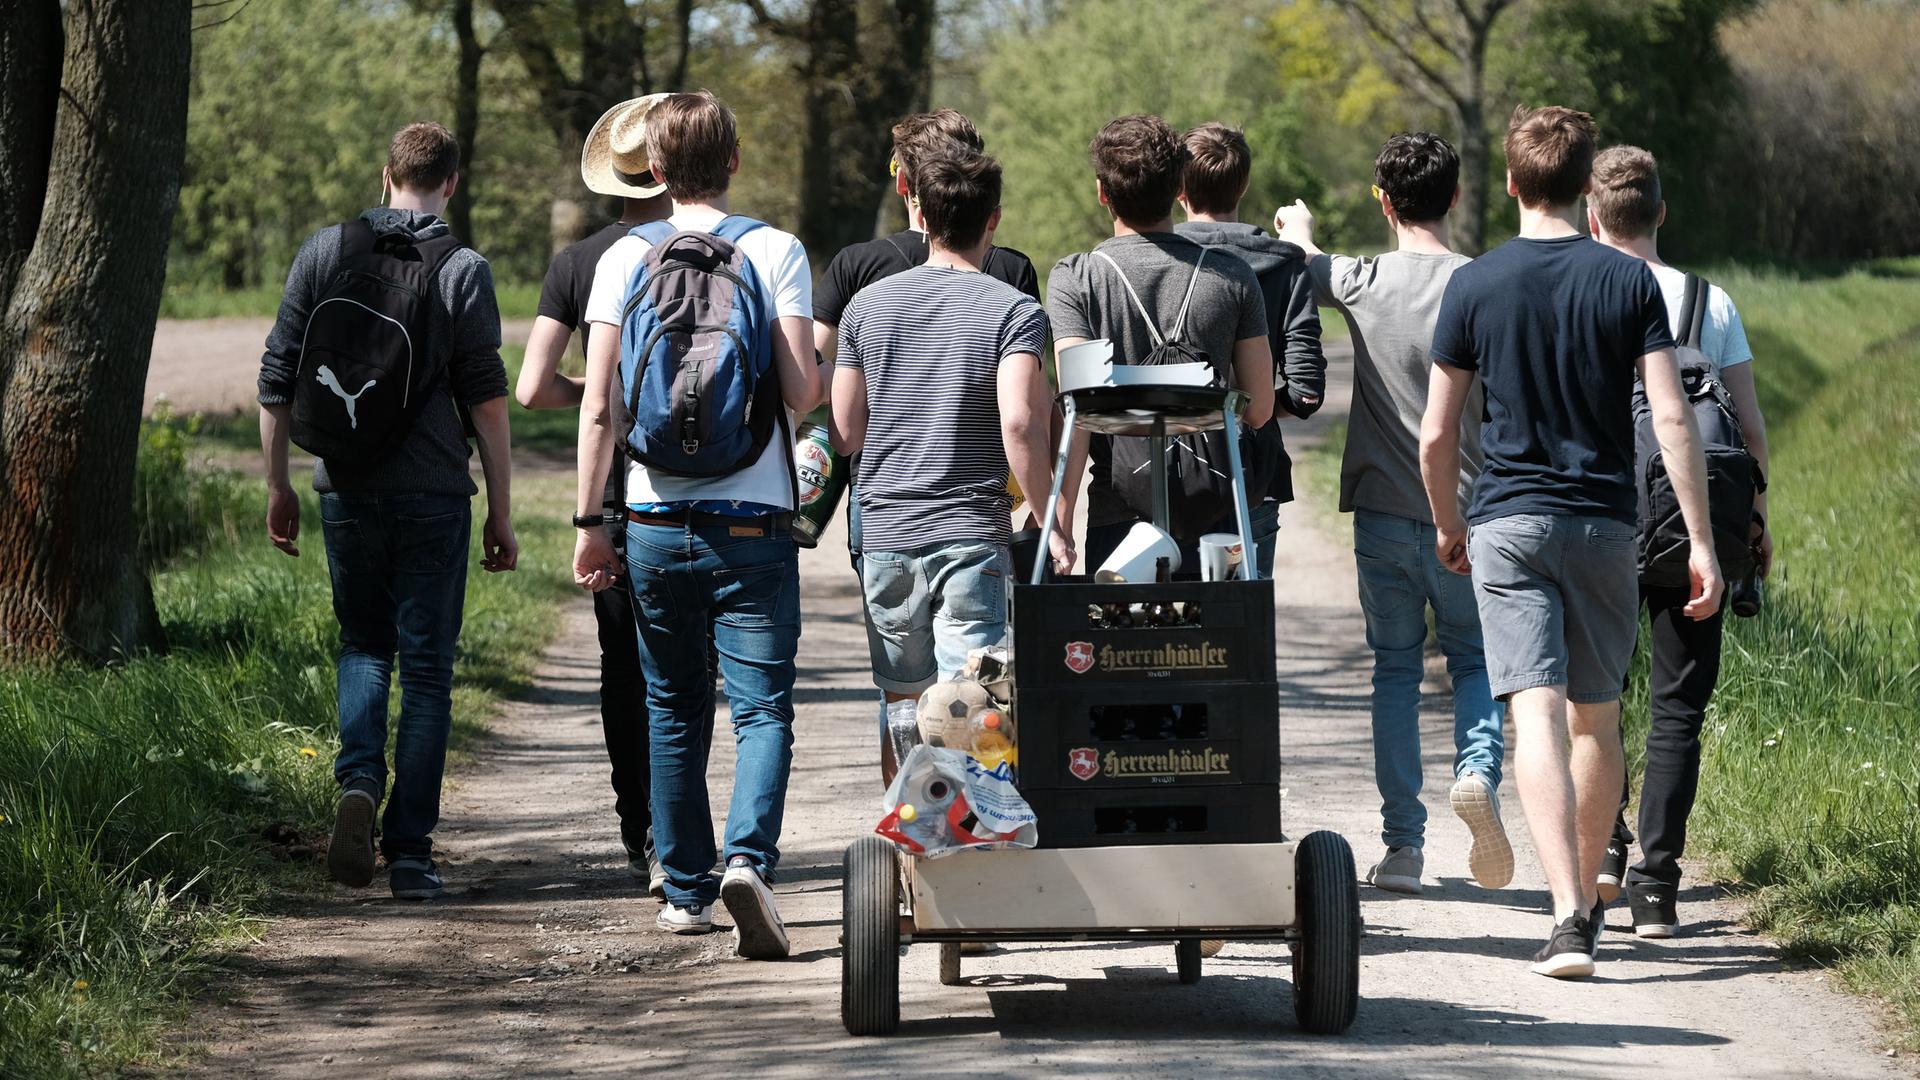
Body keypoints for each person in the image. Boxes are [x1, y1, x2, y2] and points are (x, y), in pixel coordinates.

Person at [1418, 105, 1723, 979]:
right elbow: (1670, 415)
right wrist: (1699, 540)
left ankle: (1563, 918)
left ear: (1512, 183)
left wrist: (1447, 520)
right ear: (1589, 186)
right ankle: (1590, 897)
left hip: (1508, 523)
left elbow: (1438, 435)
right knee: (1598, 717)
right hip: (1605, 524)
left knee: (1534, 715)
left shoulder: (1473, 285)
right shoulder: (1631, 283)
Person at [572, 92, 824, 958]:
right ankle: (747, 859)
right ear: (736, 160)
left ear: (654, 171)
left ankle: (683, 892)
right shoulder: (774, 249)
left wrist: (588, 522)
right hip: (752, 516)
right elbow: (801, 393)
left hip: (651, 514)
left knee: (671, 707)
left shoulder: (622, 258)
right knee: (761, 711)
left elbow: (601, 409)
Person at [258, 121, 517, 902]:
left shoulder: (324, 250)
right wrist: (501, 510)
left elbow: (276, 377)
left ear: (385, 175)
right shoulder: (464, 269)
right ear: (452, 183)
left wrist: (279, 485)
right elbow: (489, 403)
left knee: (363, 646)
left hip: (346, 485)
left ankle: (357, 784)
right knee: (429, 672)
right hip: (435, 493)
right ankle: (409, 855)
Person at [1275, 132, 1508, 896]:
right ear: (1457, 196)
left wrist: (1299, 229)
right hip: (1469, 513)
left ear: (1384, 200)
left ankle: (1403, 849)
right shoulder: (1484, 284)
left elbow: (1306, 264)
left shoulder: (1362, 279)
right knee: (1475, 661)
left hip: (1381, 511)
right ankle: (1477, 773)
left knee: (1397, 672)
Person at [811, 109, 1043, 782]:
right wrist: (1051, 513)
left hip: (885, 528)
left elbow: (846, 432)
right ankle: (974, 831)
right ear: (992, 220)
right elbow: (1021, 422)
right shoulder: (1012, 303)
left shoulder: (864, 304)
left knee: (904, 701)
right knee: (976, 694)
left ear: (915, 203)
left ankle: (910, 835)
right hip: (971, 526)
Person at [517, 93, 710, 900]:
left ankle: (642, 830)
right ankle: (691, 835)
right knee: (692, 670)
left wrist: (607, 398)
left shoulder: (581, 261)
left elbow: (531, 388)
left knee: (625, 669)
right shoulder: (714, 246)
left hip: (624, 495)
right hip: (708, 481)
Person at [1586, 144, 1774, 938]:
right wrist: (1755, 527)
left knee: (1595, 699)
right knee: (1677, 709)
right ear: (1661, 212)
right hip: (1689, 525)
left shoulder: (1583, 291)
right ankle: (1656, 890)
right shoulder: (1710, 302)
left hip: (1596, 519)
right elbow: (1748, 427)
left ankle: (1604, 850)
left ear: (1593, 219)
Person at [1046, 114, 1276, 569]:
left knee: (1121, 639)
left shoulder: (1076, 279)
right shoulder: (1232, 276)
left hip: (1119, 514)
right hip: (1216, 509)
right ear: (1178, 189)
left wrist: (1062, 521)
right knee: (1215, 639)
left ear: (1102, 193)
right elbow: (1260, 408)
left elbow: (1079, 413)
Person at [1175, 122, 1325, 575]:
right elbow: (1305, 393)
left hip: (1167, 467)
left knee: (1171, 632)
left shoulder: (1158, 256)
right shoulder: (1284, 265)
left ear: (1179, 187)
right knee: (1244, 628)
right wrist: (1252, 405)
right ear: (1243, 185)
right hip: (1253, 469)